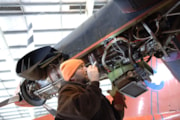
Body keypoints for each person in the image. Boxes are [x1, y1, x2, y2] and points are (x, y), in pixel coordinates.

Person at [55, 59, 126, 120]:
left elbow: (114, 117)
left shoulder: (89, 91)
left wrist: (118, 99)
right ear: (71, 76)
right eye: (81, 67)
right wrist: (94, 81)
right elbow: (83, 112)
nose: (86, 69)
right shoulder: (67, 91)